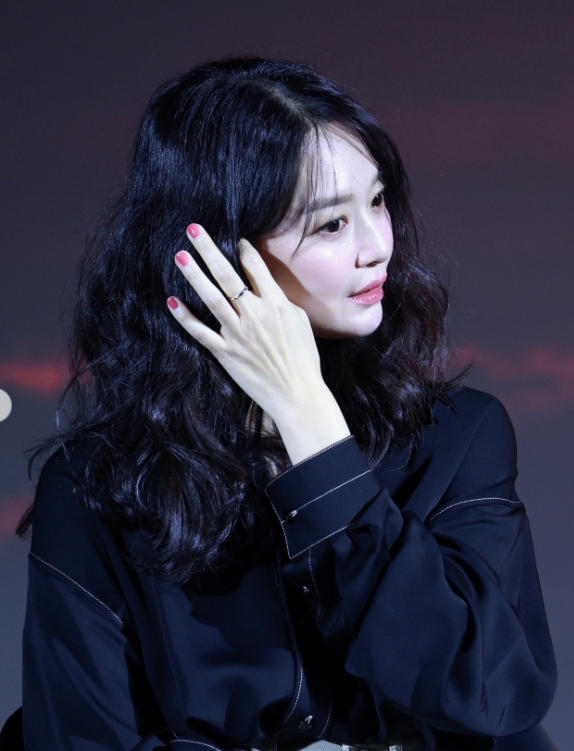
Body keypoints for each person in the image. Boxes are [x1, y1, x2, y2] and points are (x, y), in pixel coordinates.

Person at [2, 55, 558, 751]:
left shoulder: (458, 437)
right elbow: (78, 739)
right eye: (330, 225)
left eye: (378, 201)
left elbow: (486, 690)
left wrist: (309, 422)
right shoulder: (97, 488)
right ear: (219, 255)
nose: (376, 247)